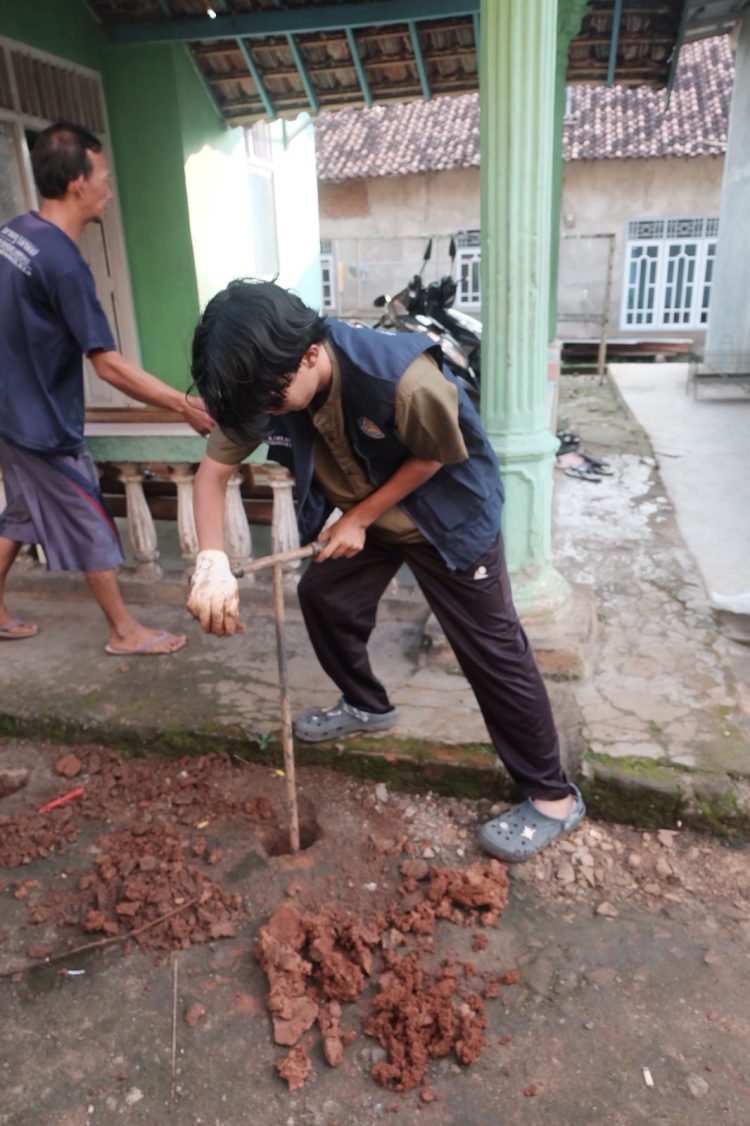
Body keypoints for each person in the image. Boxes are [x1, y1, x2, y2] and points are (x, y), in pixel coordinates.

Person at [186, 279, 585, 861]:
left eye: (273, 402)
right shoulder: (263, 382)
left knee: (491, 650)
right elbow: (211, 473)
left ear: (311, 355)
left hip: (446, 516)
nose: (264, 416)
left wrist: (360, 517)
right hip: (361, 514)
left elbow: (432, 456)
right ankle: (367, 704)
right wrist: (211, 559)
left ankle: (553, 798)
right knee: (324, 594)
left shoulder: (402, 379)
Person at [0, 121, 213, 655]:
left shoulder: (13, 233)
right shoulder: (64, 263)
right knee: (92, 521)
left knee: (21, 514)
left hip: (8, 413)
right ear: (77, 183)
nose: (109, 190)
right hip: (43, 427)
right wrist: (183, 404)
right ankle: (124, 631)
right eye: (103, 178)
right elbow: (109, 366)